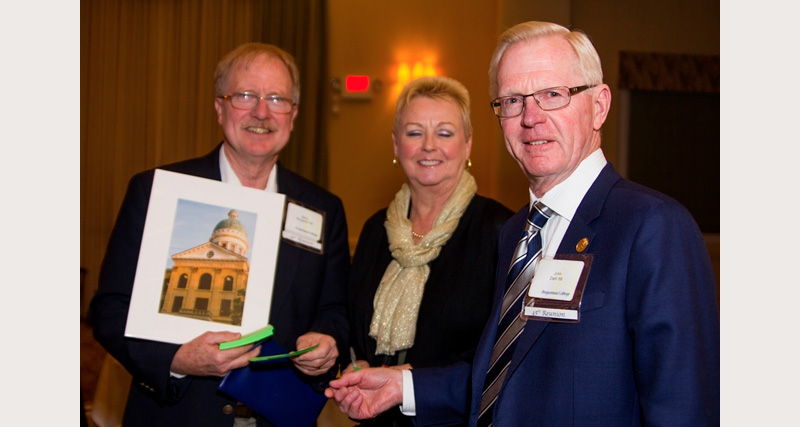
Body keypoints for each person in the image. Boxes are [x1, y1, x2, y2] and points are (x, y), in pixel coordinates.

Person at [325, 21, 720, 426]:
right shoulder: (518, 233)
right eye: (512, 100)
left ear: (599, 105)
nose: (530, 118)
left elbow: (684, 407)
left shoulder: (652, 227)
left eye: (553, 94)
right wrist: (402, 387)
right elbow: (507, 372)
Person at [89, 43, 350, 426]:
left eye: (277, 99)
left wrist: (328, 343)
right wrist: (176, 360)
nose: (261, 112)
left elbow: (337, 311)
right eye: (245, 95)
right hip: (176, 416)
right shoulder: (157, 193)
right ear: (219, 107)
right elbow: (110, 309)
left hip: (275, 415)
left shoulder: (323, 209)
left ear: (292, 115)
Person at [346, 76, 513, 426]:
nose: (428, 146)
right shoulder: (376, 231)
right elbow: (355, 333)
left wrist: (409, 383)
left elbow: (504, 359)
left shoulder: (501, 231)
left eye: (445, 133)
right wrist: (358, 367)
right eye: (414, 132)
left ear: (467, 144)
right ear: (396, 145)